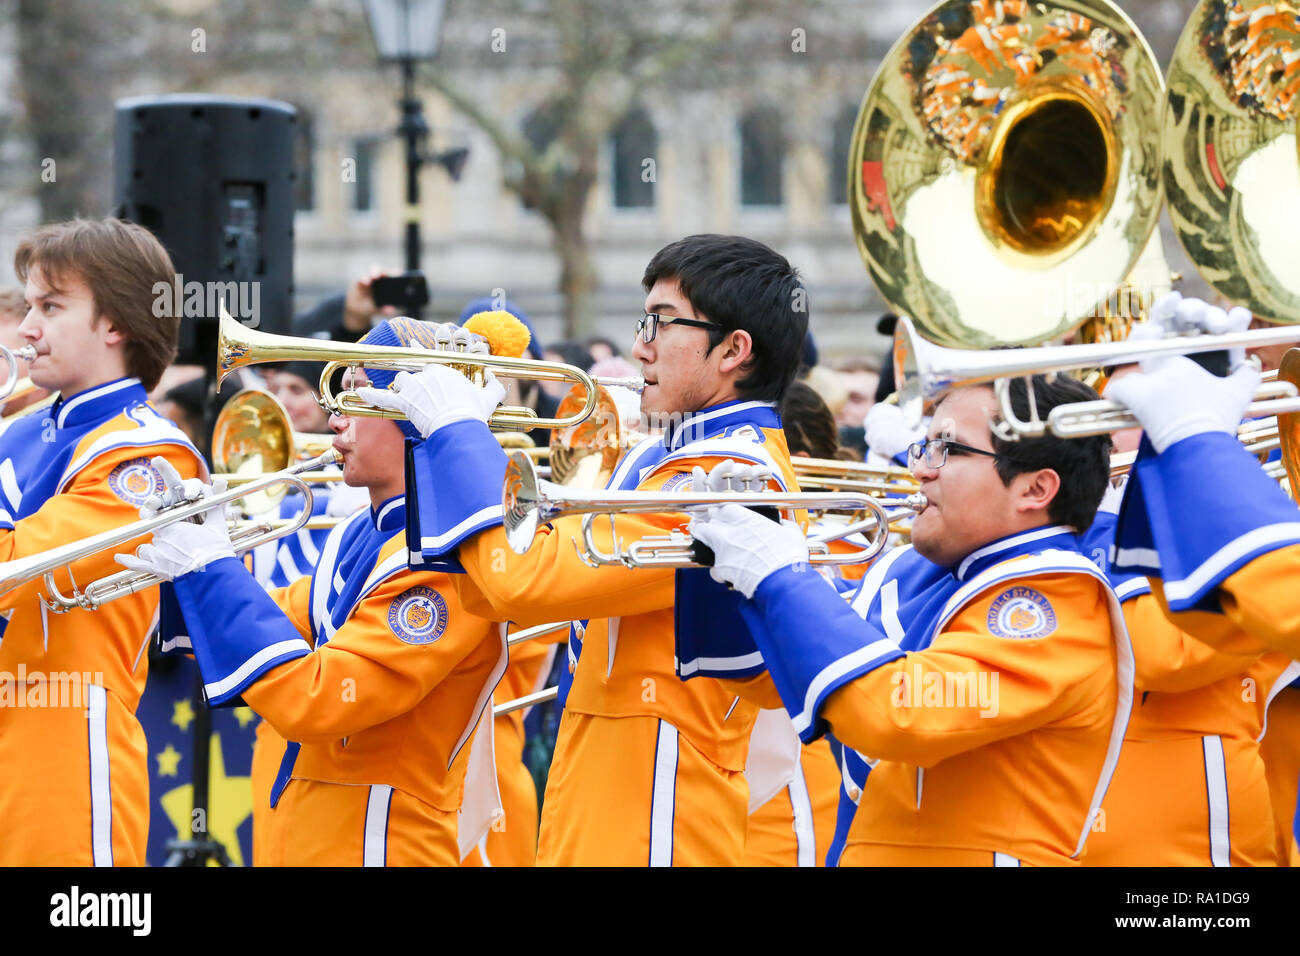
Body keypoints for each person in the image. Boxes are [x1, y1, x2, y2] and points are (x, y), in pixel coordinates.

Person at [365, 234, 810, 865]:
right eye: (642, 321)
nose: (640, 347)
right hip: (615, 793)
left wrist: (459, 432)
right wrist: (444, 440)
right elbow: (495, 591)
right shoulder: (671, 459)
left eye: (662, 323)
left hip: (659, 815)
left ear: (735, 350)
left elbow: (523, 579)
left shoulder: (721, 478)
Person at [689, 374, 1133, 865]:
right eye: (925, 445)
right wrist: (727, 564)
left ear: (1035, 488)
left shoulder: (1054, 599)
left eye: (950, 449)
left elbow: (904, 715)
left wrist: (782, 577)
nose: (920, 469)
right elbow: (767, 682)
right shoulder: (920, 572)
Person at [120, 317, 507, 866]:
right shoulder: (363, 534)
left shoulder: (444, 562)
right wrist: (184, 573)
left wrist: (212, 566)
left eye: (355, 398)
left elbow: (320, 698)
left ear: (416, 416)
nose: (333, 420)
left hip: (384, 846)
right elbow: (283, 618)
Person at [0, 218, 205, 866]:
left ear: (114, 325)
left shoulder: (146, 451)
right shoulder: (24, 432)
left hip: (63, 745)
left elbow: (18, 566)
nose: (27, 328)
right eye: (29, 306)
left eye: (51, 307)